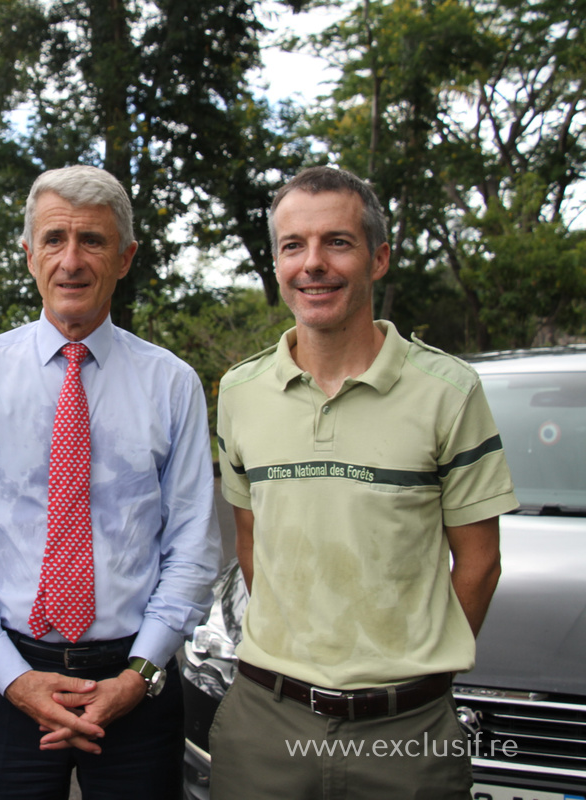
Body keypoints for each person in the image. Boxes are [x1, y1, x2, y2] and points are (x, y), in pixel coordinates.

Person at [211, 166, 517, 798]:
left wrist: (413, 672)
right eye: (293, 245)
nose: (313, 264)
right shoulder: (240, 392)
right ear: (277, 264)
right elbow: (251, 544)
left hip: (406, 735)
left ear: (378, 259)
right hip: (264, 723)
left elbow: (480, 563)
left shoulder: (449, 391)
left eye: (337, 242)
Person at [0, 165, 221, 800]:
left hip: (136, 683)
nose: (71, 260)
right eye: (54, 239)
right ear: (29, 254)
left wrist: (138, 675)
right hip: (9, 682)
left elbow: (193, 547)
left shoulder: (172, 384)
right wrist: (13, 678)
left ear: (126, 257)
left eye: (92, 240)